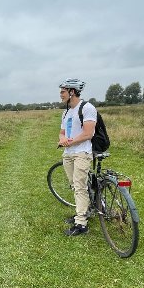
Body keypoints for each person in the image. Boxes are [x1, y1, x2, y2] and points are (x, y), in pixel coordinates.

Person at [58, 78, 97, 236]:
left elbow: (88, 134)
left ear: (72, 92)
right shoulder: (66, 112)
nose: (60, 94)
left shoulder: (87, 108)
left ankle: (81, 223)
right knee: (75, 186)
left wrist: (70, 142)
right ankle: (84, 211)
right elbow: (62, 133)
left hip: (82, 152)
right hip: (68, 154)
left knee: (80, 187)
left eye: (63, 91)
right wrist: (62, 140)